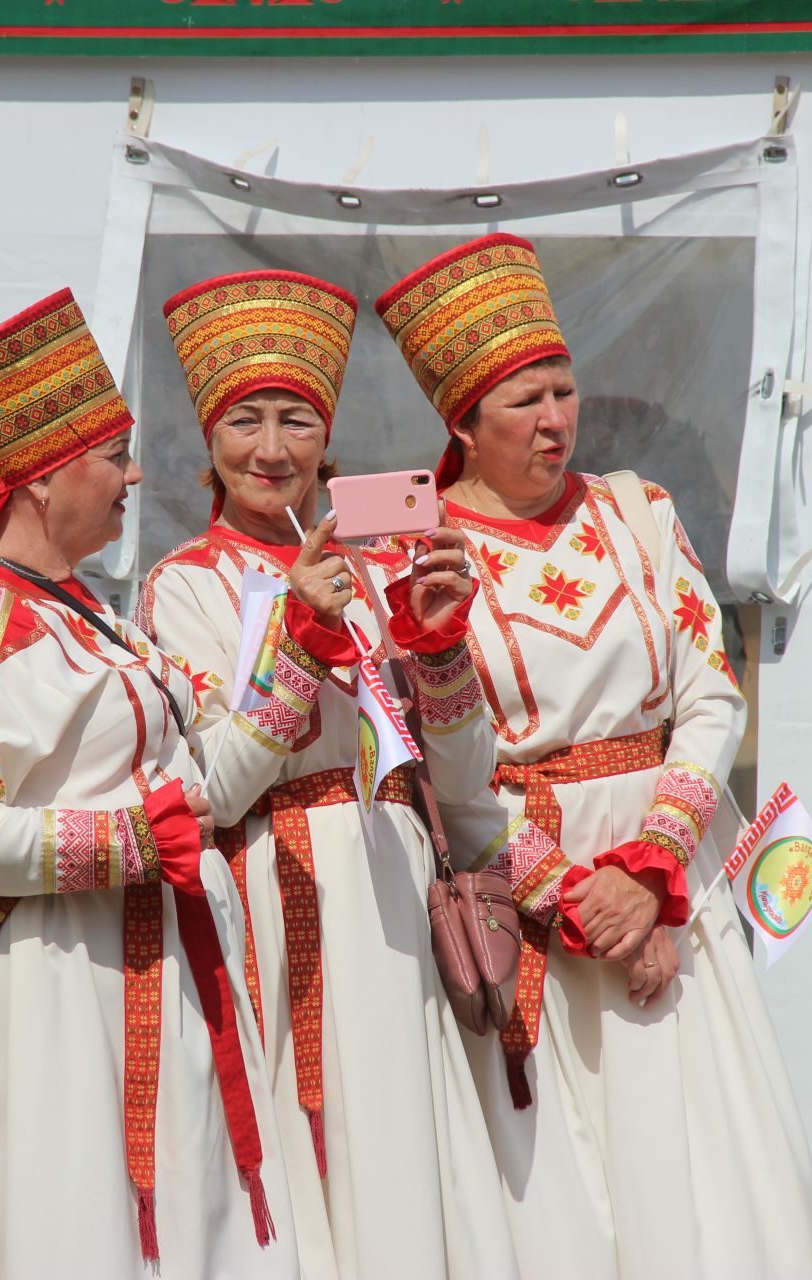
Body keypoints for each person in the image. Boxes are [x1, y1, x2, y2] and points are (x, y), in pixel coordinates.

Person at [375, 232, 812, 1277]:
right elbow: (430, 765)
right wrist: (579, 897)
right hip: (527, 887)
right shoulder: (415, 556)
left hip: (665, 860)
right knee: (565, 1183)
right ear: (461, 423)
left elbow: (711, 692)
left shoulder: (637, 509)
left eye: (564, 390)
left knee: (711, 1150)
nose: (554, 421)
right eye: (523, 402)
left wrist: (649, 869)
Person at [0, 288, 300, 1279]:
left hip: (115, 970)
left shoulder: (93, 615)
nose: (135, 471)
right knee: (45, 1227)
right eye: (113, 452)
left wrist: (302, 645)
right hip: (31, 991)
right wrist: (134, 838)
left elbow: (210, 788)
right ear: (45, 478)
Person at [137, 269, 520, 1279]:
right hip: (281, 889)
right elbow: (216, 786)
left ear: (328, 439)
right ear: (210, 440)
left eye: (297, 420)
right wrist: (300, 638)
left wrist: (437, 645)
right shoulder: (182, 586)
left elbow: (464, 773)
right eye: (246, 420)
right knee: (316, 1159)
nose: (273, 449)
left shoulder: (373, 570)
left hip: (393, 879)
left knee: (403, 1153)